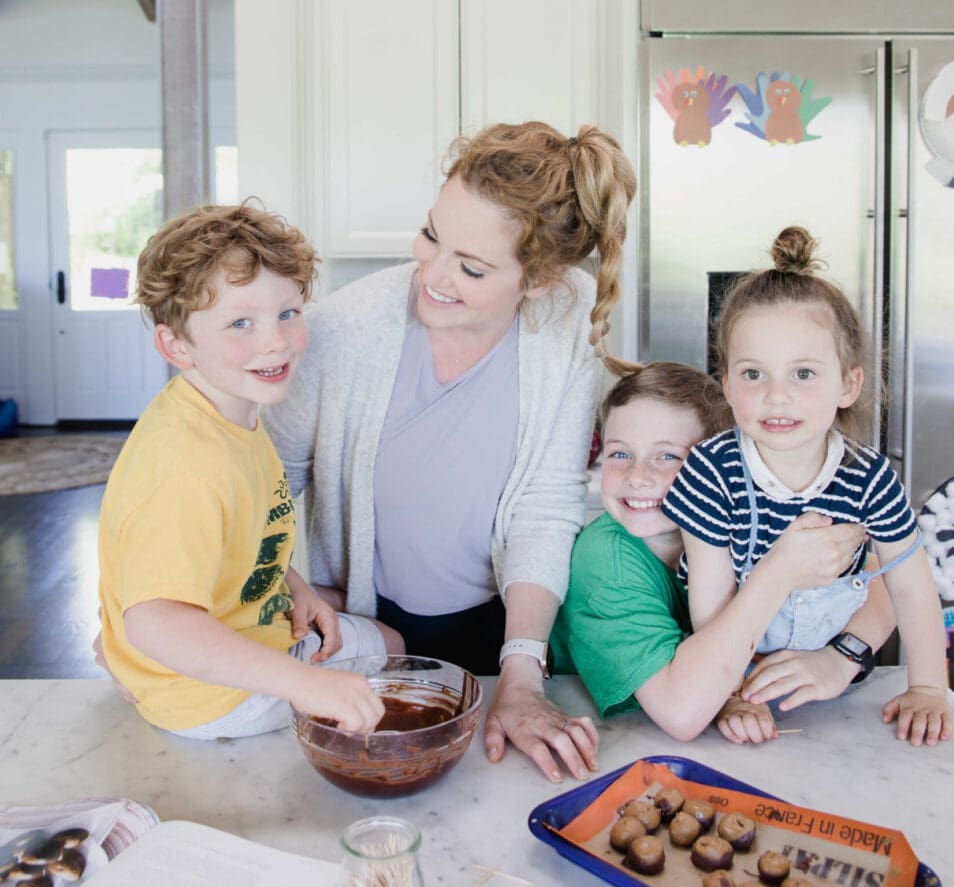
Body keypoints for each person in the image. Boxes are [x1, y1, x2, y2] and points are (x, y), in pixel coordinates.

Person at [264, 121, 638, 781]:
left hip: (503, 625)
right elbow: (261, 487)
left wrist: (521, 676)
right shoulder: (343, 333)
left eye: (470, 267)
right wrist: (291, 583)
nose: (431, 275)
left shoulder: (565, 321)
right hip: (363, 628)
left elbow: (548, 504)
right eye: (432, 235)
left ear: (541, 279)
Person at [97, 203, 395, 740]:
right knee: (387, 676)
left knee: (388, 643)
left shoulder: (229, 412)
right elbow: (156, 620)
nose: (275, 341)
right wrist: (307, 685)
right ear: (175, 345)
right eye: (241, 323)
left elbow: (245, 535)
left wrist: (294, 585)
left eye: (288, 313)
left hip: (248, 637)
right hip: (208, 696)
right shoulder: (184, 465)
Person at [661, 226, 953, 746]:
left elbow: (911, 588)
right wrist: (729, 694)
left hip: (834, 693)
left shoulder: (869, 477)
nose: (777, 397)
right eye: (753, 375)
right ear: (725, 384)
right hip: (735, 674)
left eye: (803, 374)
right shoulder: (712, 471)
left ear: (848, 384)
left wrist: (928, 686)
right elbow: (710, 602)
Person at [550, 361, 893, 741]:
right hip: (612, 737)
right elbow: (681, 712)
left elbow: (879, 576)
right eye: (619, 454)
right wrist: (777, 574)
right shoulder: (605, 561)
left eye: (668, 457)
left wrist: (841, 658)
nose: (637, 476)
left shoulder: (749, 514)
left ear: (721, 464)